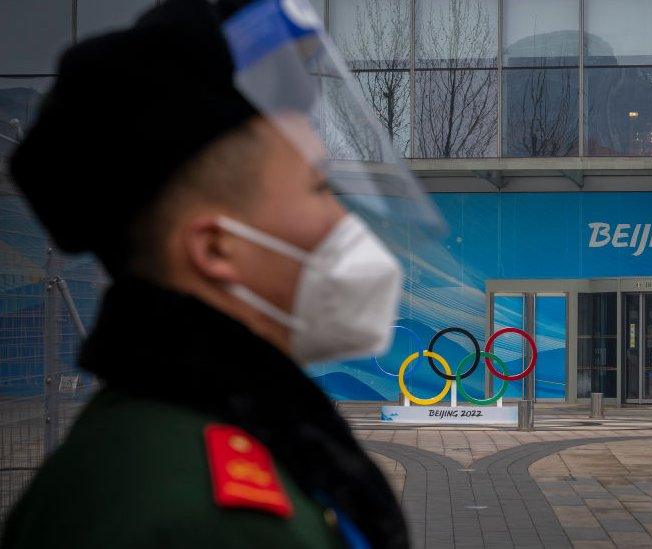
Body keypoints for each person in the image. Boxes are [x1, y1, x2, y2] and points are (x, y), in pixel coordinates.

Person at [1, 0, 443, 546]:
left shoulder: (162, 438)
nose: (344, 221)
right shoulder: (216, 518)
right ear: (215, 248)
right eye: (319, 189)